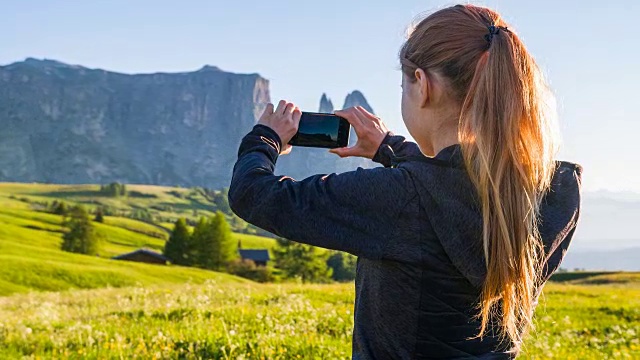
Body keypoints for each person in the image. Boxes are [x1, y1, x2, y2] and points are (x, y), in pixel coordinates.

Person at [228, 4, 581, 359]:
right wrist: (389, 148)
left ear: (422, 85)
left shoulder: (397, 200)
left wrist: (265, 139)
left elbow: (253, 194)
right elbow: (452, 187)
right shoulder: (555, 191)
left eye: (403, 84)